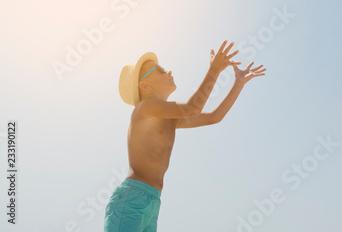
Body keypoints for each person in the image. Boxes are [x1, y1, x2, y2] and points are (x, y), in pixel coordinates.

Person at [104, 40, 266, 231]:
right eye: (160, 70)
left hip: (152, 201)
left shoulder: (169, 119)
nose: (168, 72)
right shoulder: (144, 109)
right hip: (131, 200)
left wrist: (238, 83)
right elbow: (192, 108)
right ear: (145, 85)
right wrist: (214, 70)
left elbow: (215, 116)